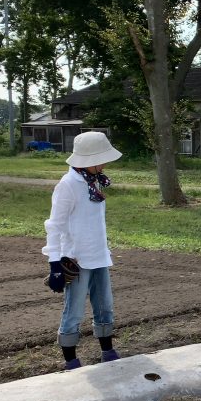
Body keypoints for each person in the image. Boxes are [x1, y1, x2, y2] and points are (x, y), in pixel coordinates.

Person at [42, 131, 123, 370]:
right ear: (89, 160)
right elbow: (54, 226)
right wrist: (54, 263)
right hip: (76, 258)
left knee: (104, 306)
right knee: (74, 310)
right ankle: (71, 360)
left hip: (99, 254)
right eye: (103, 159)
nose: (106, 163)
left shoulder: (93, 181)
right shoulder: (67, 186)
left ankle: (107, 351)